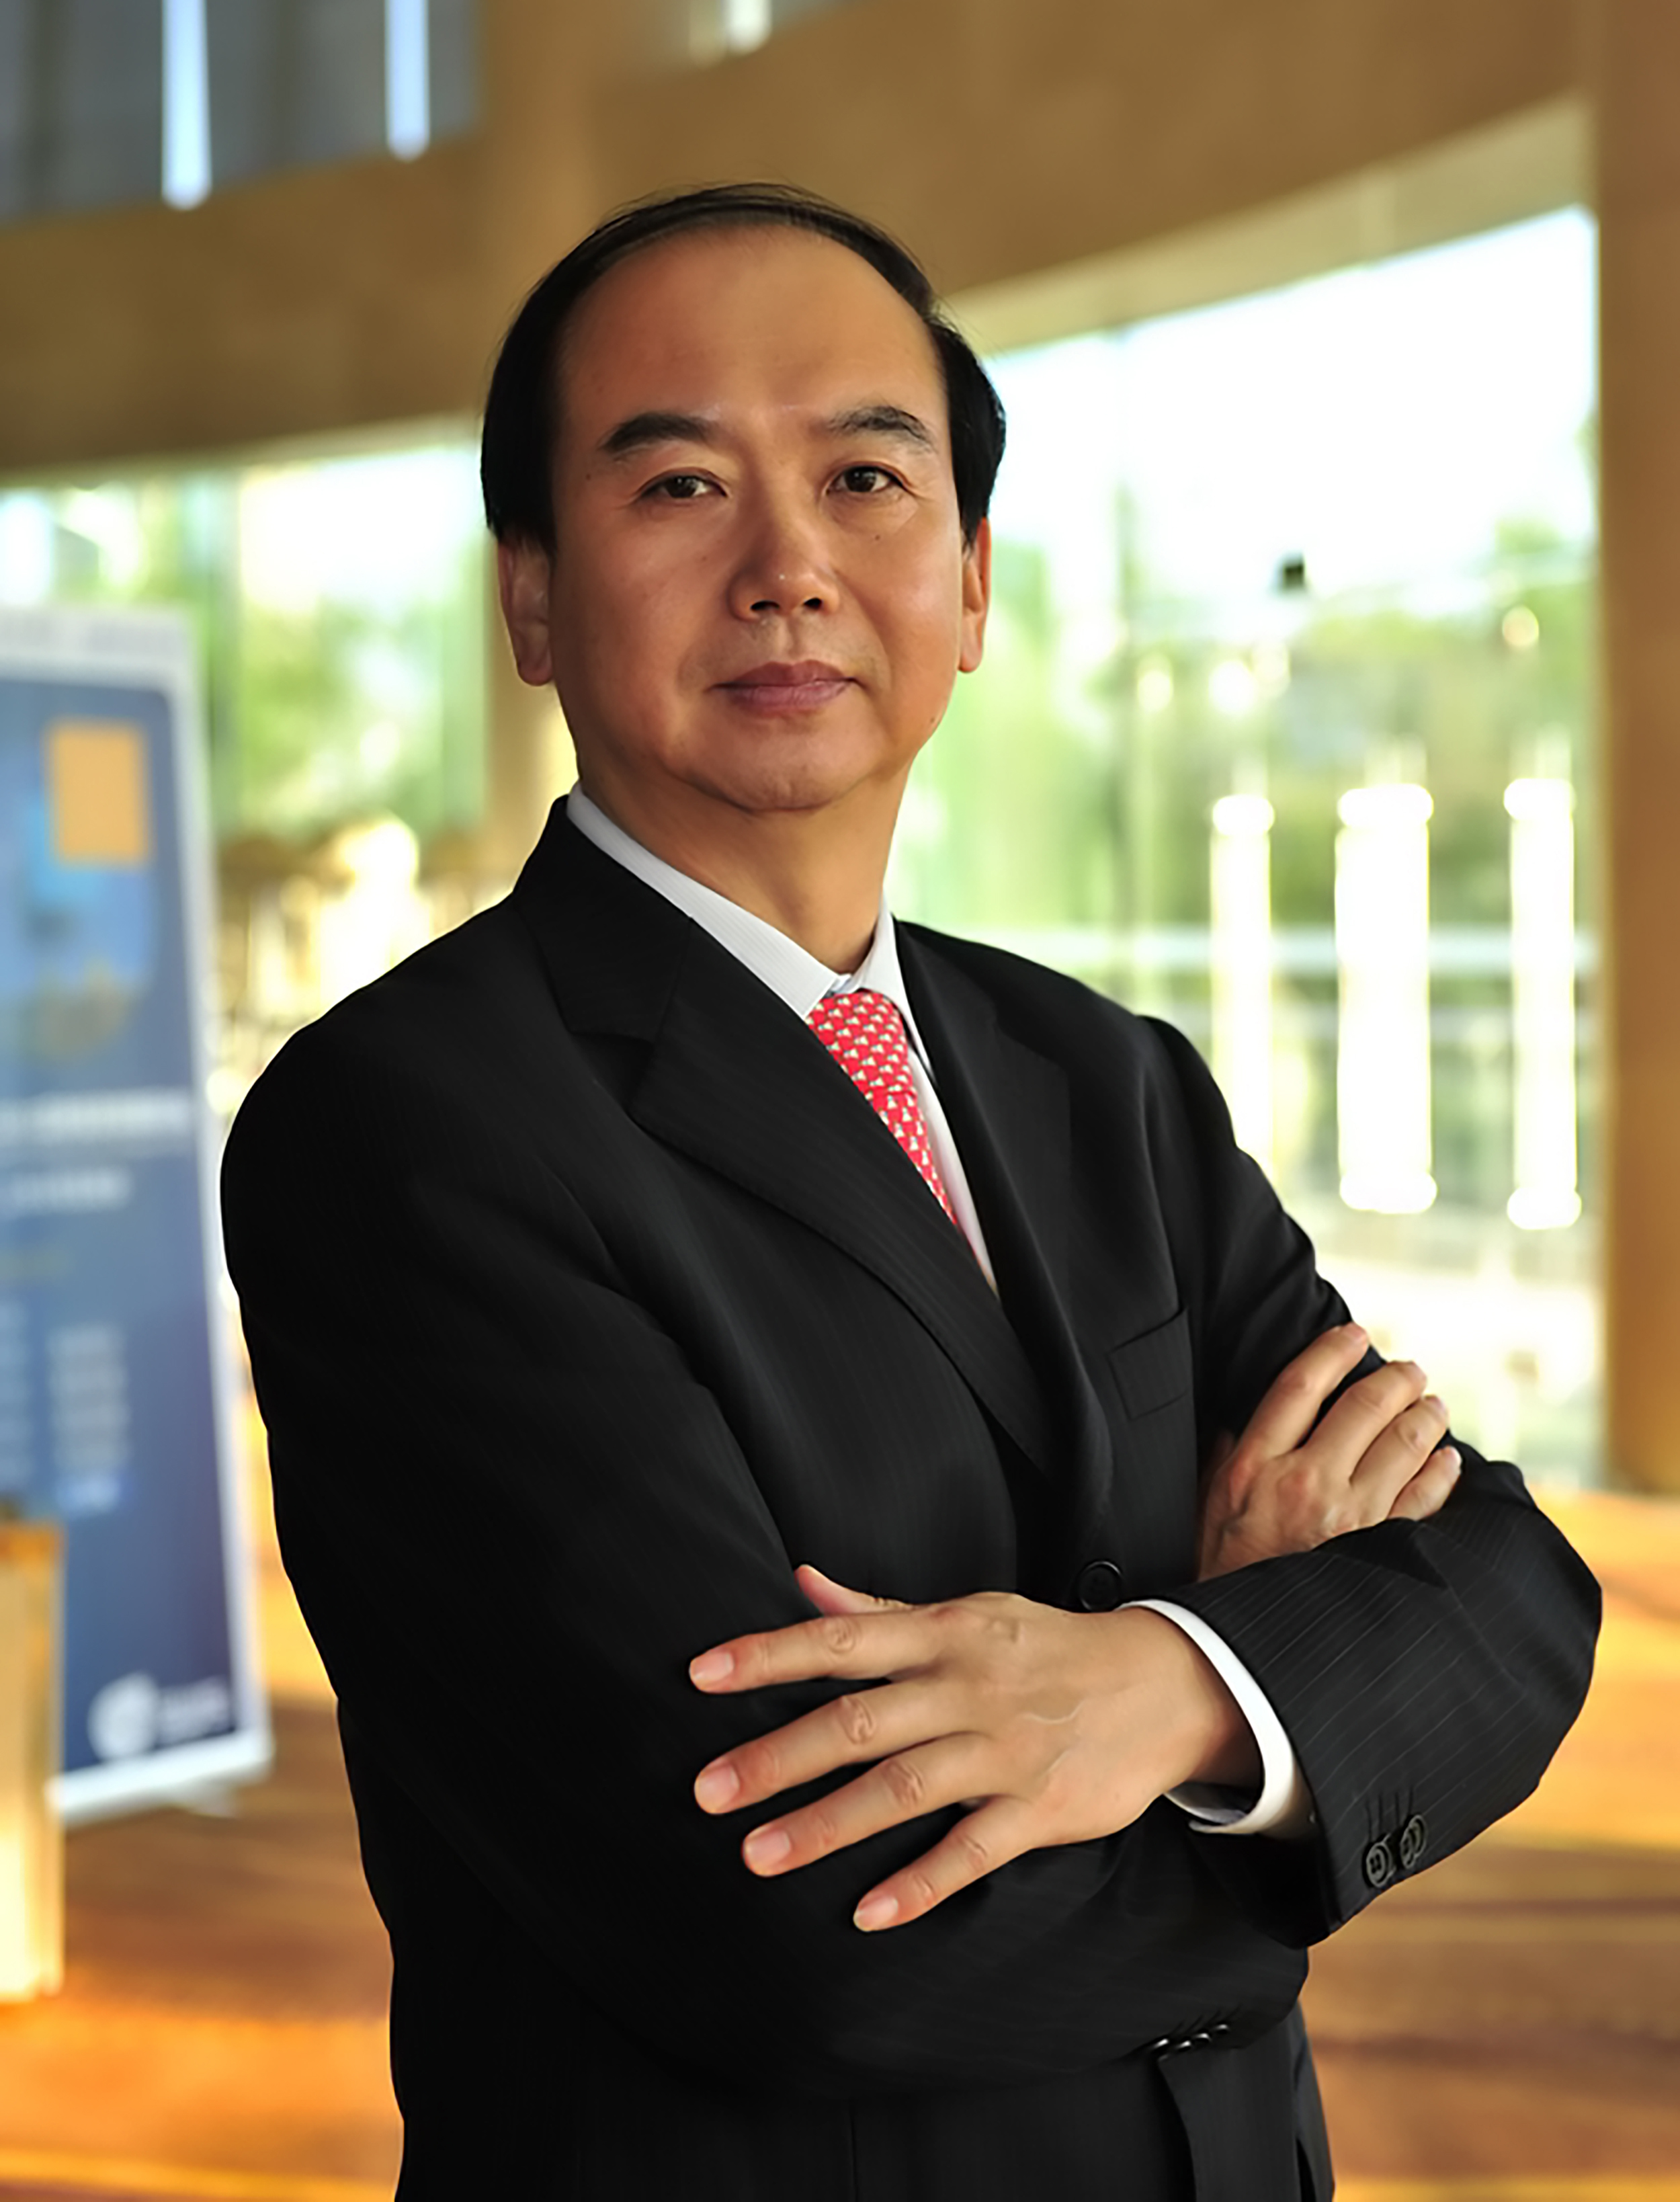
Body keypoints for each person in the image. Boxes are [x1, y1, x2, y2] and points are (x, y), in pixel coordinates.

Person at [220, 184, 1599, 2201]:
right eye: (679, 484)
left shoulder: (1107, 1079)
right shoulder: (406, 1128)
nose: (788, 568)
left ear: (966, 582)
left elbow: (1511, 1593)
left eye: (865, 477)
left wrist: (1164, 1683)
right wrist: (1279, 1702)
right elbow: (807, 1939)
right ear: (529, 598)